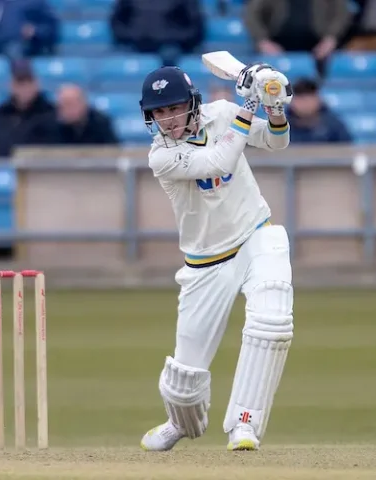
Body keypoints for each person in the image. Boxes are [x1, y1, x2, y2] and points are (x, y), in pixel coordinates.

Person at [138, 63, 294, 452]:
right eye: (158, 113)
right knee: (184, 383)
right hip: (206, 262)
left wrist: (274, 107)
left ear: (192, 104)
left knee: (273, 319)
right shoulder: (161, 157)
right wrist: (252, 102)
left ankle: (245, 423)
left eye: (173, 108)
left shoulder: (223, 112)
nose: (167, 120)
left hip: (255, 235)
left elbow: (277, 142)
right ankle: (180, 422)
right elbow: (219, 162)